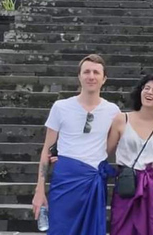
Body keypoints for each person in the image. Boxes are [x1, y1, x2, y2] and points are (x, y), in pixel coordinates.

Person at [32, 54, 120, 235]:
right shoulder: (61, 107)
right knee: (61, 230)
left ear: (104, 79)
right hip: (65, 179)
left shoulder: (113, 111)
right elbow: (46, 150)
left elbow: (111, 148)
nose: (91, 76)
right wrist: (40, 190)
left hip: (94, 179)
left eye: (96, 72)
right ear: (79, 76)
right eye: (86, 71)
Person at [106, 74, 153, 235]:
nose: (149, 92)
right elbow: (104, 152)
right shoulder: (121, 119)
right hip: (128, 185)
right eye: (146, 88)